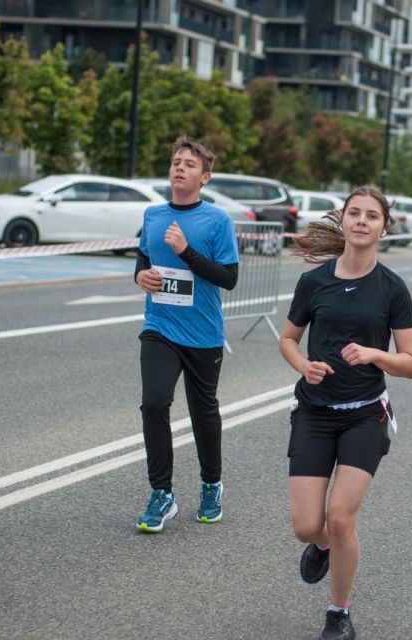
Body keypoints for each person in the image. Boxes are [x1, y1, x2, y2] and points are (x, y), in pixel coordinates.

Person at [279, 185, 412, 640]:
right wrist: (304, 365)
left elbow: (411, 363)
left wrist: (376, 355)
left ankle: (338, 613)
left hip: (364, 415)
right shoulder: (314, 282)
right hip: (315, 413)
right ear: (342, 221)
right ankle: (320, 544)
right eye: (354, 213)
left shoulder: (392, 289)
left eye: (371, 216)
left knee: (340, 519)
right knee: (307, 527)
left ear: (383, 227)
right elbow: (287, 339)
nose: (361, 221)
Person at [133, 136, 239, 532]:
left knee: (203, 412)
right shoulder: (153, 215)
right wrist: (140, 275)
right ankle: (162, 493)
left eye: (189, 164)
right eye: (176, 161)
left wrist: (185, 253)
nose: (180, 167)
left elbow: (228, 278)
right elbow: (144, 258)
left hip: (204, 334)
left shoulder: (217, 221)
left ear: (205, 177)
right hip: (160, 327)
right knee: (154, 404)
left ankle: (212, 484)